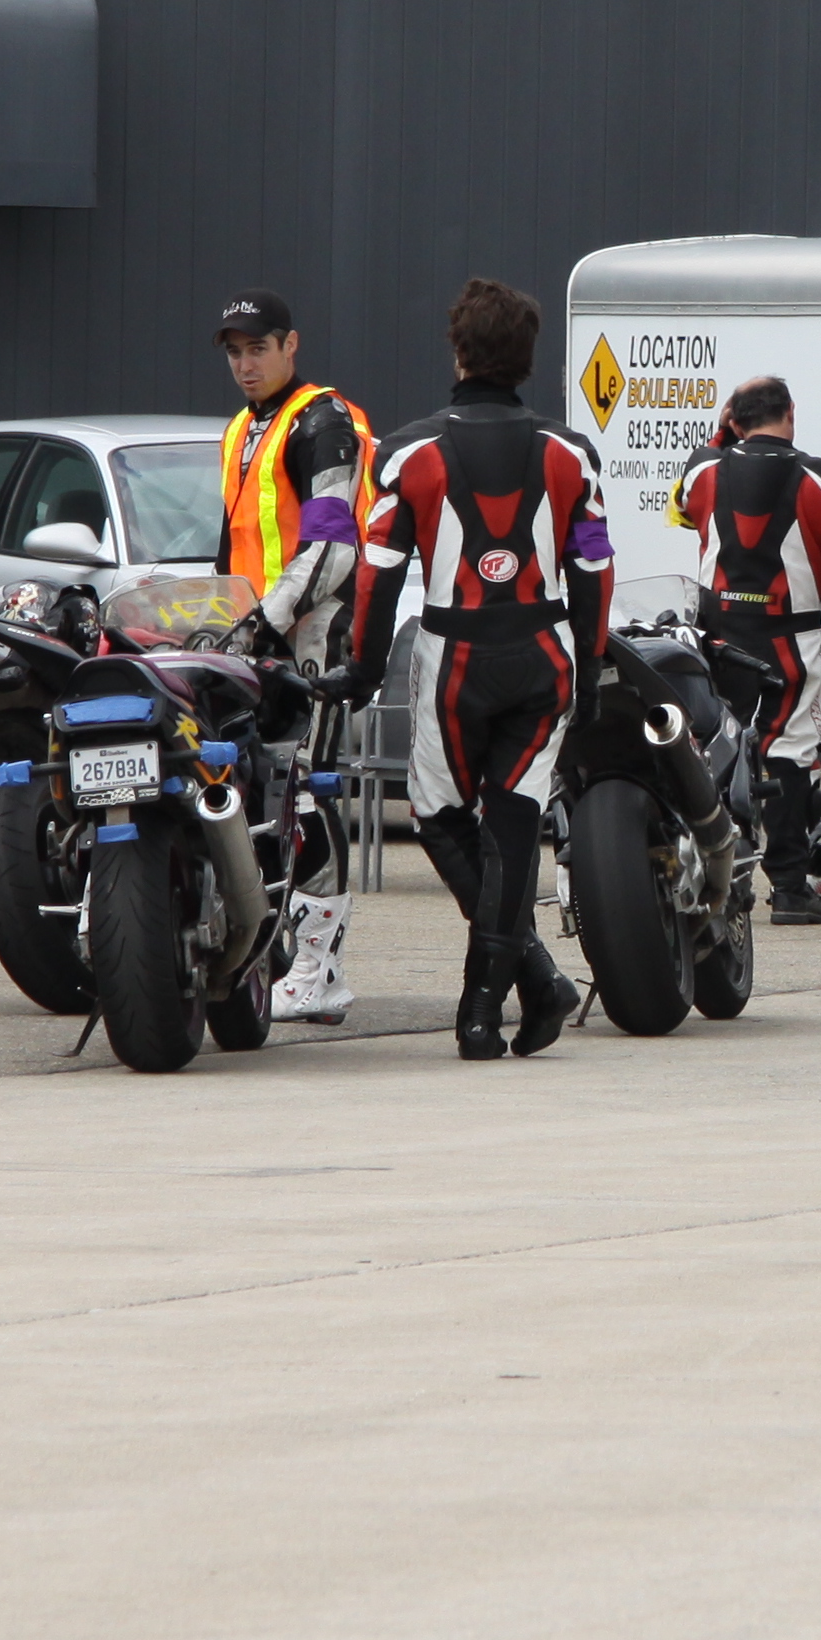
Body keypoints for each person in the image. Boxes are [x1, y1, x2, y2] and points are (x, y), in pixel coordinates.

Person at [336, 278, 609, 1058]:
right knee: (514, 827)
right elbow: (595, 568)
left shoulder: (407, 453)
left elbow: (377, 573)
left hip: (453, 654)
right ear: (528, 359)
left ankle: (521, 988)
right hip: (544, 652)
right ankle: (493, 1006)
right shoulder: (572, 453)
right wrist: (590, 670)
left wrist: (362, 668)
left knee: (438, 817)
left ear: (458, 352)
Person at [216, 290, 377, 1023]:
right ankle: (268, 954)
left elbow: (334, 546)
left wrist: (264, 621)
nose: (245, 364)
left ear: (291, 345)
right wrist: (218, 623)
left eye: (258, 348)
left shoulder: (323, 420)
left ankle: (321, 967)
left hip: (314, 637)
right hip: (252, 640)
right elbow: (232, 547)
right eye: (234, 352)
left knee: (305, 793)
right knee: (247, 792)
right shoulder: (242, 428)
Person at [674, 375, 821, 927]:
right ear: (791, 411)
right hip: (790, 638)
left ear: (734, 420)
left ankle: (713, 874)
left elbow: (683, 508)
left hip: (717, 637)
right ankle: (789, 889)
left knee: (716, 750)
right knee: (787, 754)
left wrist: (722, 433)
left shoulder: (701, 470)